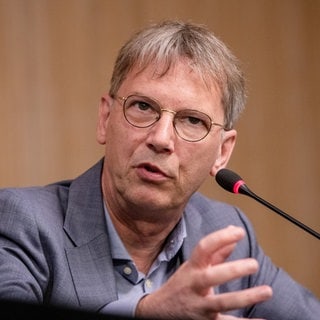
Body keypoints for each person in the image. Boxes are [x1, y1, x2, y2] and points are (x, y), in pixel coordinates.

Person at [0, 20, 319, 320]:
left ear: (222, 152)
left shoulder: (226, 235)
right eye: (143, 106)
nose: (161, 139)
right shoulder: (23, 223)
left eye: (193, 120)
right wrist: (145, 313)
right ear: (105, 119)